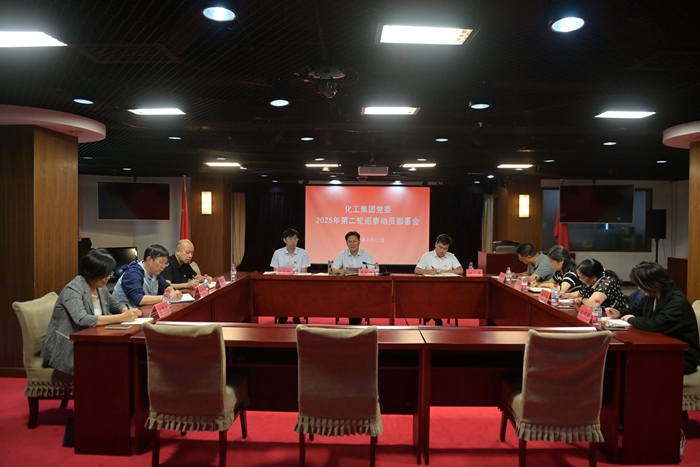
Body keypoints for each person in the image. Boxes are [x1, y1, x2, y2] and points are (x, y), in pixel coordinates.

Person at [41, 249, 141, 375]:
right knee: (114, 362)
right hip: (69, 347)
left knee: (126, 356)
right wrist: (122, 318)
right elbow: (82, 319)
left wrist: (127, 310)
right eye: (105, 274)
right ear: (93, 272)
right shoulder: (73, 289)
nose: (108, 277)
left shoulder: (100, 287)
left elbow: (114, 304)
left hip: (93, 340)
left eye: (110, 273)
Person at [605, 261, 700, 375]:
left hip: (681, 355)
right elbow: (636, 310)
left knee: (634, 364)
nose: (639, 288)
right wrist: (619, 313)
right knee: (623, 360)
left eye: (641, 284)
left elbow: (656, 324)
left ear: (652, 283)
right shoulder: (653, 294)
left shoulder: (676, 301)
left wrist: (631, 319)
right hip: (660, 347)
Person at [415, 234, 464, 326]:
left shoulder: (451, 256)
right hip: (429, 290)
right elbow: (417, 270)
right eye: (440, 247)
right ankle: (436, 316)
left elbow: (460, 270)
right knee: (433, 294)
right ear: (435, 244)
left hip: (447, 290)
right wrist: (429, 272)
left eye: (445, 249)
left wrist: (445, 271)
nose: (442, 251)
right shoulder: (427, 256)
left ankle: (433, 315)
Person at [112, 244, 182, 307]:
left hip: (142, 309)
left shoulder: (155, 272)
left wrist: (172, 291)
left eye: (165, 263)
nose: (163, 266)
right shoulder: (133, 273)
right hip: (124, 311)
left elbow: (166, 286)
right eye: (161, 262)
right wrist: (168, 297)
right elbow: (139, 299)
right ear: (149, 259)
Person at [332, 231, 374, 325]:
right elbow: (334, 269)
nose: (352, 244)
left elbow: (372, 270)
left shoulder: (366, 254)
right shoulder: (342, 254)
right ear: (346, 243)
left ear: (359, 242)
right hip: (346, 287)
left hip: (363, 287)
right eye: (350, 241)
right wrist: (340, 271)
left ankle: (355, 316)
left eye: (354, 241)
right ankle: (354, 316)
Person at [270, 228, 310, 324]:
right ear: (284, 240)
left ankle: (296, 315)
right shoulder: (277, 253)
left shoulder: (303, 253)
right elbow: (275, 271)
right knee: (282, 290)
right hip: (281, 283)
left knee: (297, 290)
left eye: (295, 239)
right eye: (290, 239)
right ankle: (283, 314)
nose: (293, 241)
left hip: (298, 283)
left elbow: (304, 272)